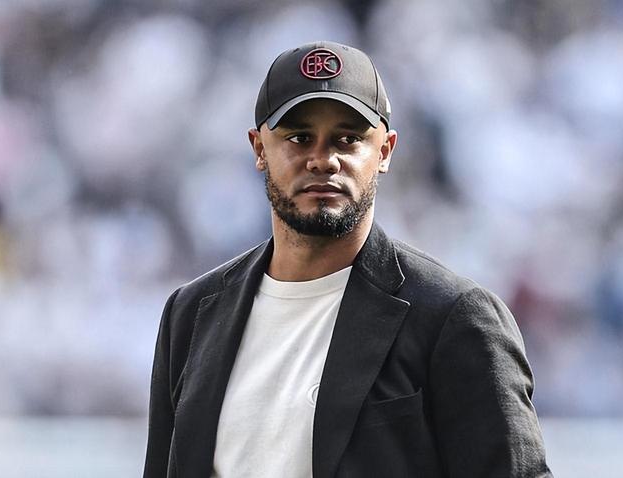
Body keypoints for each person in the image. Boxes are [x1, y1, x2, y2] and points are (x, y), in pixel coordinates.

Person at [143, 41, 552, 477]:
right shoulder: (191, 313)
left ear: (385, 151)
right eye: (299, 138)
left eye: (348, 139)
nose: (324, 160)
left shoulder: (453, 317)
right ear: (259, 148)